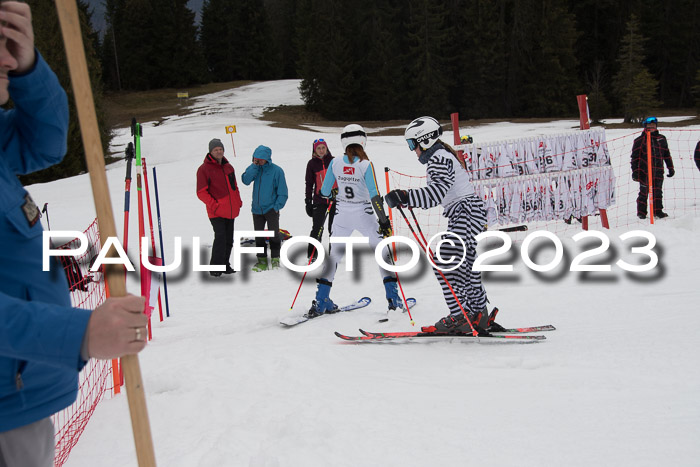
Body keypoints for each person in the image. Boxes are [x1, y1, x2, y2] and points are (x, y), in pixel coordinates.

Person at [0, 3, 148, 466]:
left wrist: (28, 69)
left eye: (8, 45)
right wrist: (81, 332)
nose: (6, 59)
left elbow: (46, 140)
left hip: (20, 390)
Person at [386, 116, 491, 335]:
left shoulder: (439, 158)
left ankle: (462, 315)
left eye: (411, 144)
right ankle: (477, 313)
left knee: (444, 262)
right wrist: (408, 198)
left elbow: (435, 194)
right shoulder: (441, 157)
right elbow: (436, 194)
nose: (412, 150)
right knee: (463, 264)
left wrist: (405, 195)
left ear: (424, 140)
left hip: (466, 212)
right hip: (467, 213)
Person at [307, 124, 400, 317]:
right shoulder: (366, 164)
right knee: (382, 253)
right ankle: (393, 300)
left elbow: (323, 192)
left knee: (333, 258)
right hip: (364, 213)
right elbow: (375, 195)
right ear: (363, 141)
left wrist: (335, 190)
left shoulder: (335, 162)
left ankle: (321, 300)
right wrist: (384, 221)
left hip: (342, 214)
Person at [196, 138, 243, 276]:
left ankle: (225, 264)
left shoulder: (228, 167)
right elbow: (201, 192)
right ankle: (216, 267)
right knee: (220, 238)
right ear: (210, 152)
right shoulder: (204, 169)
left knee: (229, 239)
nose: (219, 151)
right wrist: (214, 205)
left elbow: (234, 187)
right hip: (216, 212)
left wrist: (238, 201)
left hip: (230, 210)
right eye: (216, 149)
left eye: (221, 149)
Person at [241, 145, 288, 271]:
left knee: (274, 235)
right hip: (256, 209)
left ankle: (275, 259)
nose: (259, 161)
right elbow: (245, 180)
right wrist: (254, 166)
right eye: (256, 159)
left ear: (267, 158)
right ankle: (261, 261)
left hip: (271, 209)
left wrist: (277, 207)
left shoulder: (277, 171)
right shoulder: (255, 169)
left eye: (261, 159)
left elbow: (283, 192)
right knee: (259, 236)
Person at [630, 116, 674, 219]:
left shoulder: (661, 139)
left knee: (657, 191)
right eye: (649, 125)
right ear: (645, 126)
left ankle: (658, 211)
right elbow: (634, 158)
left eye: (653, 125)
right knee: (644, 192)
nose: (651, 126)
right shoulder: (639, 140)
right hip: (644, 171)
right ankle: (641, 213)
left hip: (658, 170)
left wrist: (670, 167)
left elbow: (666, 154)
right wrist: (635, 172)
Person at [304, 138, 335, 262]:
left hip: (335, 200)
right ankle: (313, 254)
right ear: (314, 150)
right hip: (319, 201)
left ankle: (334, 254)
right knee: (317, 228)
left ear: (326, 148)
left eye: (323, 147)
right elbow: (309, 183)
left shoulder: (333, 161)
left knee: (334, 229)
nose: (321, 150)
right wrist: (308, 201)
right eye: (318, 148)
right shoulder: (311, 164)